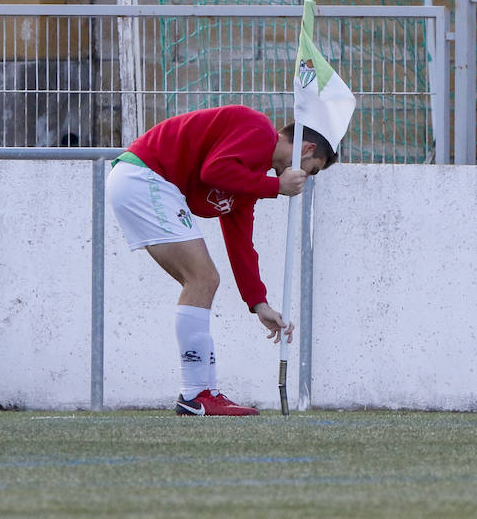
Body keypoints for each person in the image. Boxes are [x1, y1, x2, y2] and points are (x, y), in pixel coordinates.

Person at [106, 104, 338, 416]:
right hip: (145, 176)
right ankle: (196, 394)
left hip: (143, 181)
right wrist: (275, 187)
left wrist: (259, 303)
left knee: (201, 281)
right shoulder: (258, 129)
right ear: (306, 149)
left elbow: (241, 241)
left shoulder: (250, 178)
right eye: (311, 169)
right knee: (203, 279)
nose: (304, 178)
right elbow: (213, 171)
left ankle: (201, 393)